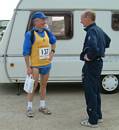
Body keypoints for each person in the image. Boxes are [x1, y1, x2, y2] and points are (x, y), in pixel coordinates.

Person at [80, 10, 111, 127]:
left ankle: (92, 121)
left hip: (92, 64)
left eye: (82, 18)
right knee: (96, 90)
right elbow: (108, 41)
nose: (80, 21)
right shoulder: (98, 29)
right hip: (98, 63)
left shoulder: (92, 30)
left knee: (90, 91)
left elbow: (93, 47)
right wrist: (101, 49)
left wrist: (89, 56)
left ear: (88, 18)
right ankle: (98, 116)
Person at [23, 11, 56, 117]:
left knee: (44, 85)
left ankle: (42, 106)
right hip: (35, 66)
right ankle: (29, 107)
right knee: (33, 86)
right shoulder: (30, 34)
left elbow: (53, 42)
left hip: (47, 64)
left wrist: (52, 52)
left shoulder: (47, 31)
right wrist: (28, 67)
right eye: (42, 20)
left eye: (44, 20)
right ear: (35, 21)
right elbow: (26, 52)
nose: (44, 21)